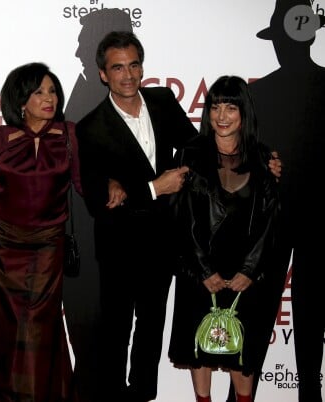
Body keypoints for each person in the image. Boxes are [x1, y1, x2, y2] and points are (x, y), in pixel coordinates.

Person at [75, 30, 199, 401]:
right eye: (117, 68)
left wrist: (257, 158)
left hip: (163, 242)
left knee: (151, 328)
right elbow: (99, 203)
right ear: (102, 74)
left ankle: (143, 394)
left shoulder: (161, 100)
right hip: (119, 247)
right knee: (115, 331)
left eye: (134, 65)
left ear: (142, 66)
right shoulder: (89, 128)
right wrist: (153, 188)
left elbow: (195, 147)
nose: (127, 75)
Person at [0, 62, 81, 402]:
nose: (49, 98)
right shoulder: (0, 138)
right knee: (4, 329)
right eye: (38, 92)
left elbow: (85, 185)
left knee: (36, 329)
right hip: (2, 249)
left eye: (52, 91)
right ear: (20, 100)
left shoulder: (70, 135)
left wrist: (127, 188)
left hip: (47, 247)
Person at [168, 75, 280, 402]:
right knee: (198, 350)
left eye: (231, 106)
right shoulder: (190, 154)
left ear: (244, 111)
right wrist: (203, 271)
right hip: (199, 271)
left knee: (242, 357)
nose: (222, 115)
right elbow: (183, 217)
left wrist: (250, 270)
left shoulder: (262, 158)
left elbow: (269, 221)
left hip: (246, 276)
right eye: (215, 106)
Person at [247, 1, 325, 401]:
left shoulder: (258, 93)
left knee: (262, 320)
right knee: (308, 326)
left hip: (274, 223)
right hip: (303, 222)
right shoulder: (256, 93)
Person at [63, 10, 134, 402]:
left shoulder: (121, 105)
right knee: (93, 347)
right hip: (80, 247)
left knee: (103, 343)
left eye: (84, 38)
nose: (76, 49)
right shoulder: (82, 93)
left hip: (104, 249)